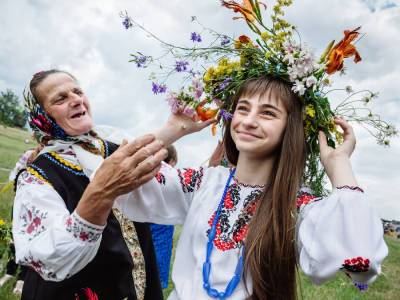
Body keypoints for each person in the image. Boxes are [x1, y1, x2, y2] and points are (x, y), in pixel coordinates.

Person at [106, 76, 388, 299]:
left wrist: (339, 165)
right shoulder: (203, 183)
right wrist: (172, 130)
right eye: (243, 108)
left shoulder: (298, 205)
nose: (249, 121)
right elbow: (112, 181)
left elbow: (360, 267)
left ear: (290, 128)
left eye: (267, 113)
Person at [12, 69, 167, 300]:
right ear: (42, 116)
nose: (76, 99)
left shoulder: (116, 148)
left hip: (133, 284)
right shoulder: (37, 177)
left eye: (77, 91)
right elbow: (52, 253)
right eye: (60, 98)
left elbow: (169, 182)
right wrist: (101, 194)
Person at [150, 145, 178, 289]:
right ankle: (159, 283)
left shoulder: (147, 173)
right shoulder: (171, 176)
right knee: (160, 254)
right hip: (163, 224)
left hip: (145, 221)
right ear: (171, 161)